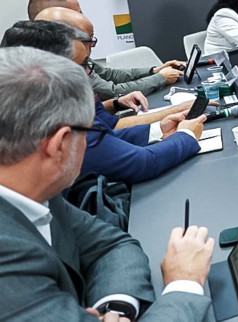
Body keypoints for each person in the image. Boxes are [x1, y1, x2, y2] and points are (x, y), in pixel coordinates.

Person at [0, 45, 214, 321]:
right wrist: (184, 283)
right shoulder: (8, 266)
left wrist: (115, 306)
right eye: (90, 131)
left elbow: (112, 246)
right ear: (60, 144)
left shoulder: (37, 193)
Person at [2, 20, 206, 185]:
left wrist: (158, 129)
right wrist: (185, 135)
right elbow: (142, 163)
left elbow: (105, 134)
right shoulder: (59, 121)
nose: (88, 73)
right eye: (82, 66)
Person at [29, 0, 186, 100]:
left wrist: (155, 70)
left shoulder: (73, 50)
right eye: (76, 14)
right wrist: (159, 78)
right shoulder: (52, 63)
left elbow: (109, 75)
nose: (82, 17)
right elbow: (111, 92)